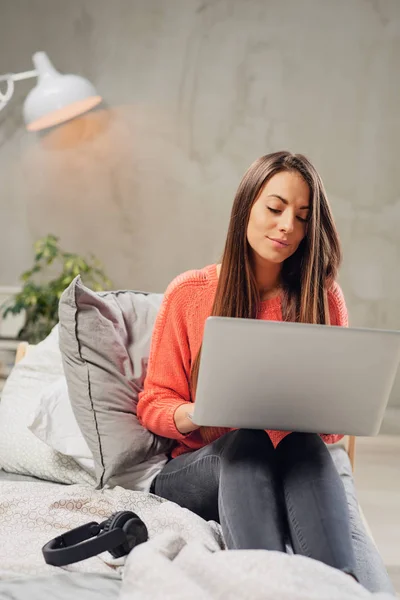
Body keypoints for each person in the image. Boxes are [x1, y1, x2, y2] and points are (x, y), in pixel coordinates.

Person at [137, 151, 358, 581]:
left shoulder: (323, 296)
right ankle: (262, 585)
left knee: (307, 445)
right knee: (249, 441)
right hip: (201, 468)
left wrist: (327, 407)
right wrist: (197, 412)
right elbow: (153, 403)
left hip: (289, 460)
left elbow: (332, 432)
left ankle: (338, 586)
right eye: (275, 208)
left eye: (302, 216)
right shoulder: (189, 293)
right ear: (246, 206)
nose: (287, 226)